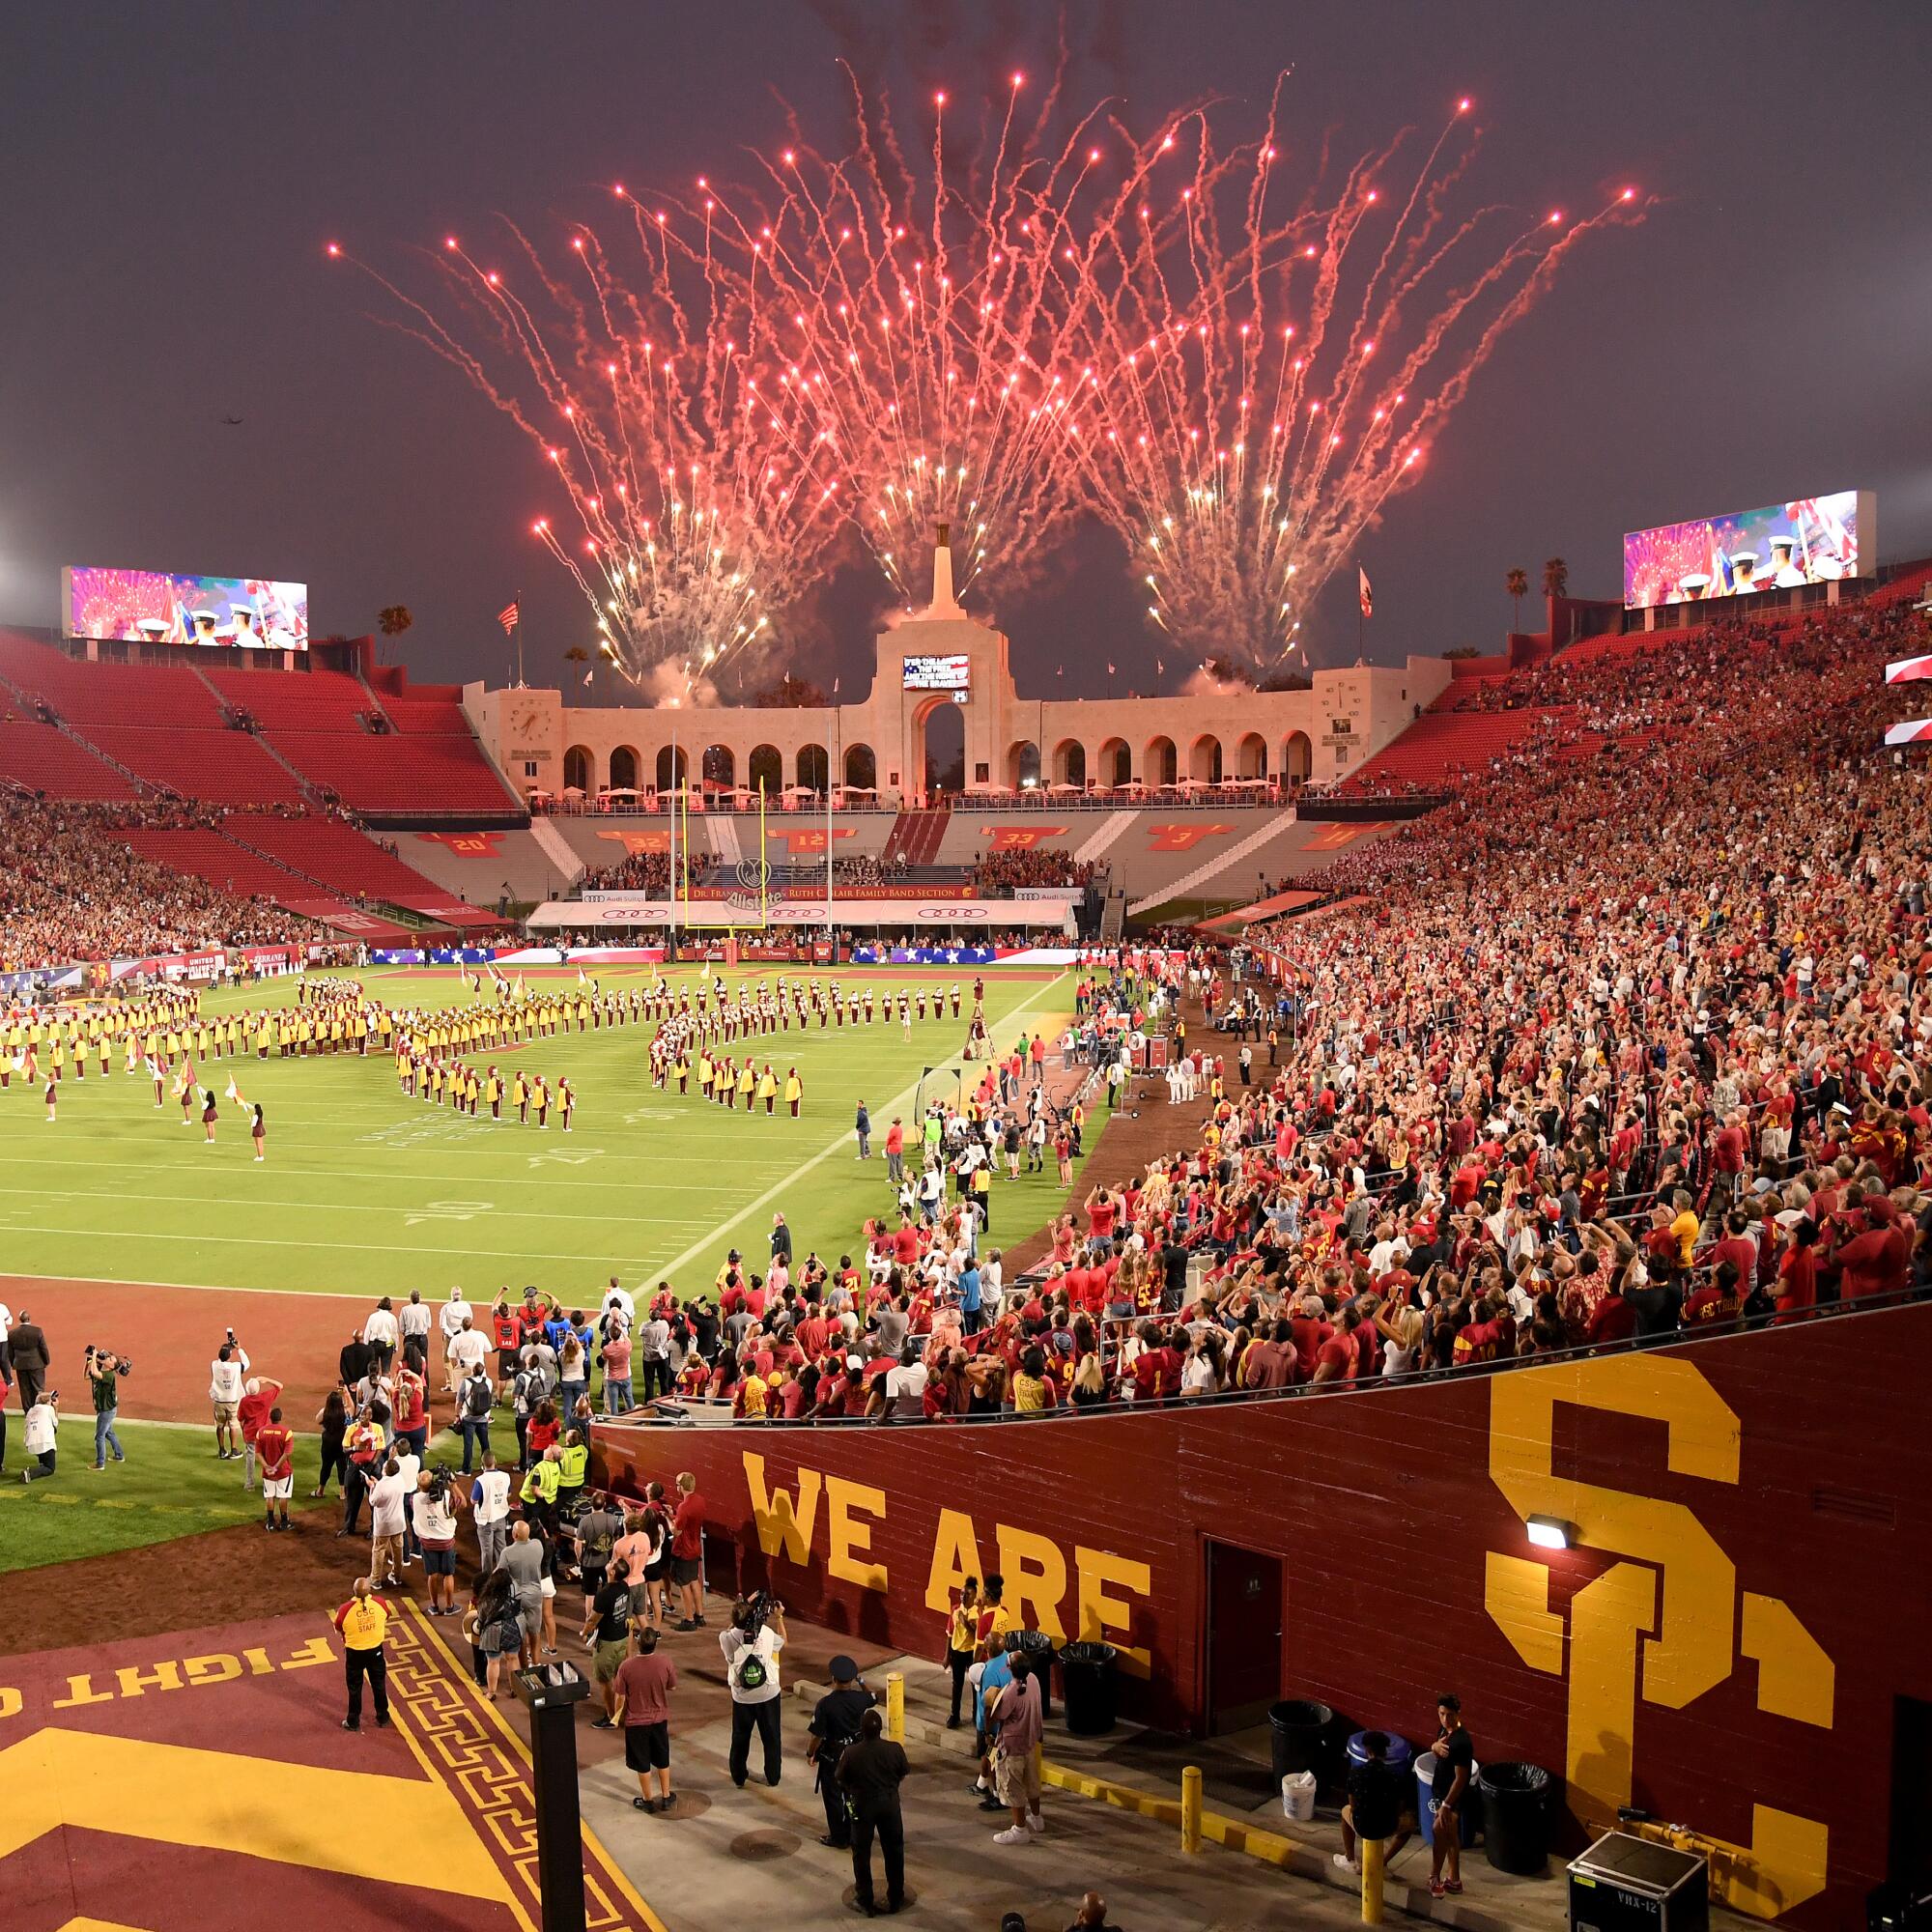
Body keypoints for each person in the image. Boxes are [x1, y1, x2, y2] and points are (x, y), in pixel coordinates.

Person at [837, 1706, 909, 1918]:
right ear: (881, 1729)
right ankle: (896, 1897)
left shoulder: (851, 1753)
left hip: (861, 1806)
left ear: (861, 1730)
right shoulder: (895, 1748)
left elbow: (840, 1778)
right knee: (894, 1851)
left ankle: (865, 1899)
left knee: (861, 1853)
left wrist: (852, 1794)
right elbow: (903, 1772)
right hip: (889, 1804)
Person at [808, 1652, 875, 1849]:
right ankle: (855, 1830)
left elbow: (817, 1735)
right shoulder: (860, 1699)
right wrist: (861, 1680)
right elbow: (873, 1697)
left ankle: (839, 1837)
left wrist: (810, 1753)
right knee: (853, 1796)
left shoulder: (825, 1704)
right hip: (856, 1754)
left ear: (833, 1678)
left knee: (833, 1797)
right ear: (851, 1679)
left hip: (833, 1758)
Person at [720, 1595, 786, 1788]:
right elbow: (782, 1642)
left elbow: (729, 1628)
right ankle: (773, 1776)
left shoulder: (727, 1638)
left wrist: (745, 1606)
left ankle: (739, 1776)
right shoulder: (765, 1632)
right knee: (771, 1736)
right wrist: (779, 1617)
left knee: (740, 1737)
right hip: (768, 1693)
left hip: (742, 1697)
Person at [614, 1623, 679, 1812]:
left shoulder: (626, 1667)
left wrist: (617, 1716)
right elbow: (672, 1686)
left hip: (636, 1721)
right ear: (655, 1643)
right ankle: (666, 1796)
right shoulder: (665, 1661)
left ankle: (648, 1800)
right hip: (659, 1719)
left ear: (638, 1643)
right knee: (662, 1757)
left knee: (642, 1761)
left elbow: (620, 1695)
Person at [989, 1651, 1045, 1843]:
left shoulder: (1011, 1691)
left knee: (1013, 1788)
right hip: (1030, 1742)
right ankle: (1037, 1819)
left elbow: (999, 1716)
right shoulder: (1034, 1680)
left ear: (1010, 1670)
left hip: (1012, 1747)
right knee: (1032, 1782)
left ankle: (1019, 1829)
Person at [1336, 1729, 1409, 1873]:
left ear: (1367, 1751)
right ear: (1385, 1752)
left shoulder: (1355, 1773)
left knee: (1344, 1812)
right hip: (1387, 1826)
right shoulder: (1395, 1776)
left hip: (1362, 1825)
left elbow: (1352, 1805)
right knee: (1410, 1824)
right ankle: (1383, 1862)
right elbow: (1400, 1807)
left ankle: (1350, 1859)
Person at [1427, 1693, 1474, 1899]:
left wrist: (1446, 1804)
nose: (1445, 1719)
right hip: (1440, 1792)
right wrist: (1433, 1747)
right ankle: (1454, 1880)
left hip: (1450, 1797)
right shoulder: (1444, 1730)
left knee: (1439, 1829)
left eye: (1450, 1715)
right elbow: (1440, 1754)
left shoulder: (1462, 1742)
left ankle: (1434, 1876)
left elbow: (1461, 1779)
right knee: (1451, 1833)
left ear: (1458, 1713)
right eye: (1442, 1714)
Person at [331, 1577, 394, 1731]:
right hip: (376, 1651)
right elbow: (387, 1615)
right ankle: (383, 1717)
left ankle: (353, 1721)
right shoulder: (380, 1603)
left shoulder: (345, 1609)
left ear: (354, 1591)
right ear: (369, 1590)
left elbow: (338, 1626)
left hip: (355, 1654)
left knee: (354, 1688)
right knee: (379, 1684)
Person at [583, 1571, 637, 1728]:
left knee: (604, 1681)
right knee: (619, 1679)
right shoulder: (625, 1587)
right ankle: (623, 1711)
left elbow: (593, 1619)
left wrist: (585, 1632)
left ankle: (611, 1717)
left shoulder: (604, 1594)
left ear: (613, 1572)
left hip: (607, 1643)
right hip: (622, 1638)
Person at [668, 1470, 706, 1629]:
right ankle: (699, 1615)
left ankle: (689, 1620)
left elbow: (676, 1531)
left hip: (684, 1550)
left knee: (684, 1586)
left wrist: (667, 1519)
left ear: (681, 1487)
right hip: (695, 1548)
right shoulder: (700, 1500)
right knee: (694, 1581)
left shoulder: (684, 1506)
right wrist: (675, 1516)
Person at [84, 1346, 128, 1471]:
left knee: (99, 1436)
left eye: (110, 1359)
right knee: (108, 1433)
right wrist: (88, 1361)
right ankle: (119, 1455)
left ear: (111, 1366)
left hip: (107, 1411)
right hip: (105, 1409)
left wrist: (94, 1355)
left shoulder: (109, 1375)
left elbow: (94, 1373)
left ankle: (100, 1463)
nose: (107, 1357)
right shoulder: (102, 1372)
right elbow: (86, 1376)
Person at [470, 1451, 512, 1574]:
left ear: (482, 1464)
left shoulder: (481, 1480)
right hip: (501, 1517)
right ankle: (502, 1575)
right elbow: (508, 1494)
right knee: (501, 1548)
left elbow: (474, 1500)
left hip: (486, 1520)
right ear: (495, 1462)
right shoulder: (505, 1476)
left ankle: (487, 1578)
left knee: (487, 1551)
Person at [257, 1405, 296, 1531]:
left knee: (269, 1495)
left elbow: (258, 1453)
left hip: (267, 1472)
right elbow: (287, 1453)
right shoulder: (286, 1433)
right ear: (280, 1418)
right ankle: (284, 1522)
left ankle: (271, 1522)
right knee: (283, 1495)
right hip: (283, 1471)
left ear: (270, 1418)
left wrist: (267, 1467)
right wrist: (276, 1467)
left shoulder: (261, 1432)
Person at [210, 1339, 244, 1461]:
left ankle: (221, 1450)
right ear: (230, 1356)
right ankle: (234, 1450)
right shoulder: (236, 1367)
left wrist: (227, 1348)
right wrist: (239, 1348)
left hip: (219, 1401)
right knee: (233, 1425)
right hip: (232, 1401)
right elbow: (246, 1363)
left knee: (220, 1426)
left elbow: (221, 1360)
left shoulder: (214, 1365)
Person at [20, 1386, 59, 1483]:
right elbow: (55, 1424)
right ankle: (29, 1474)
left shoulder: (30, 1411)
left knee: (43, 1458)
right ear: (48, 1402)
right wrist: (56, 1408)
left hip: (31, 1443)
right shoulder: (49, 1409)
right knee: (50, 1468)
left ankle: (41, 1464)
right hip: (45, 1442)